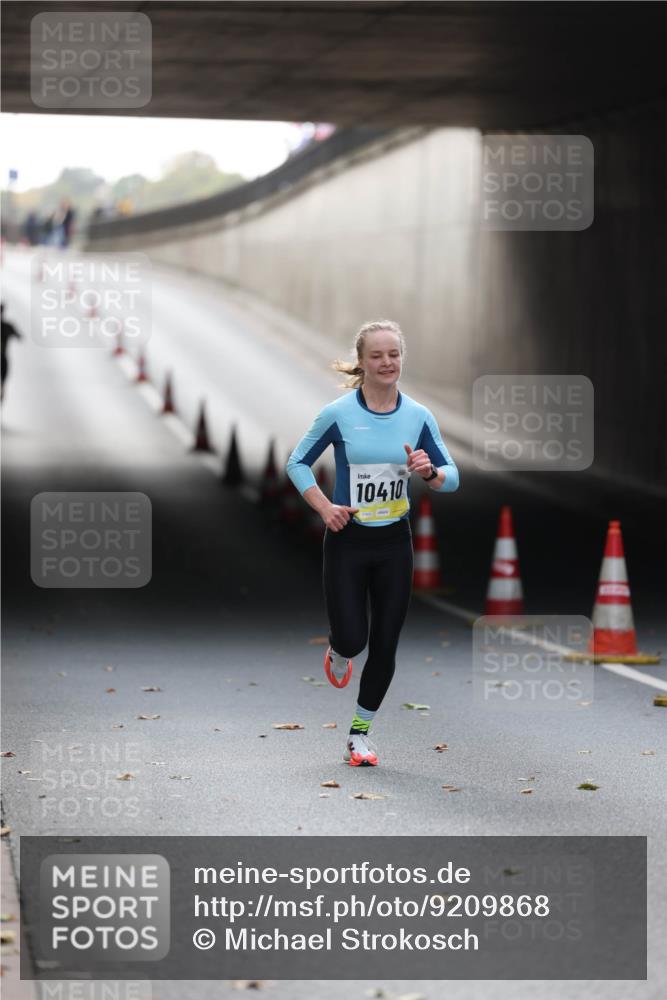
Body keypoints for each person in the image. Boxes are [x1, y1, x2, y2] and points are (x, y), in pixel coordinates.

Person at [286, 319, 459, 767]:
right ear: (362, 363)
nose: (387, 362)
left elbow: (451, 477)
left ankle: (359, 736)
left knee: (385, 643)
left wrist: (429, 473)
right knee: (354, 637)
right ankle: (338, 649)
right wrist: (325, 508)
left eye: (394, 354)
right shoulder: (339, 414)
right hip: (348, 541)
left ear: (402, 359)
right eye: (377, 355)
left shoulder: (418, 416)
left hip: (394, 545)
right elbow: (297, 462)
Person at [1, 303, 22, 403]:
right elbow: (19, 336)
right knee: (3, 379)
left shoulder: (7, 326)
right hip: (3, 357)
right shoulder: (7, 326)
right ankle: (2, 390)